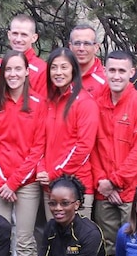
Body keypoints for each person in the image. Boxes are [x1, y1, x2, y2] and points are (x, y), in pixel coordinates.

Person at [91, 50, 137, 256]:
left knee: (135, 245)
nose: (116, 76)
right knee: (106, 246)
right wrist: (102, 182)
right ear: (105, 71)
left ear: (131, 72)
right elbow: (93, 147)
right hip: (103, 191)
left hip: (131, 190)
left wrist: (115, 182)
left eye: (121, 71)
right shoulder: (96, 103)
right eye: (112, 70)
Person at [0, 50, 45, 256]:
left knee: (24, 238)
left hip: (26, 183)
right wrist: (3, 182)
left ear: (27, 72)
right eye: (8, 69)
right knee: (0, 235)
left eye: (18, 69)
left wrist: (15, 182)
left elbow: (38, 149)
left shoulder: (39, 104)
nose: (13, 74)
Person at [38, 48, 99, 215]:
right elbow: (40, 142)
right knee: (53, 239)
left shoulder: (85, 102)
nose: (58, 72)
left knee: (76, 239)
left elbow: (83, 147)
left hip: (76, 185)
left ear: (73, 69)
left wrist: (54, 173)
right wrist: (42, 169)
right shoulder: (48, 102)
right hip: (50, 186)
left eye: (64, 67)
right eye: (54, 67)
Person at [6, 12, 49, 94]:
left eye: (24, 35)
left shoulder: (42, 70)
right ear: (9, 35)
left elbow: (43, 104)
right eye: (15, 34)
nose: (18, 39)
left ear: (34, 38)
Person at [67, 24, 109, 101]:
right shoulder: (62, 75)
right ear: (70, 47)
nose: (81, 48)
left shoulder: (106, 80)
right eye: (77, 43)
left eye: (86, 44)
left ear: (96, 47)